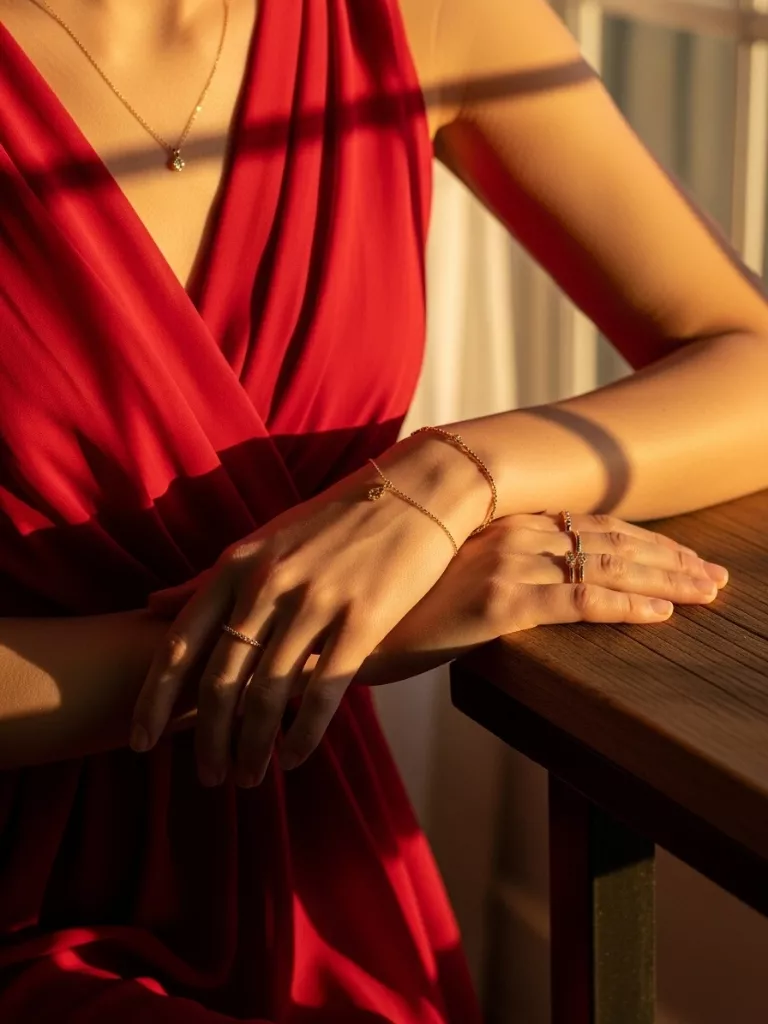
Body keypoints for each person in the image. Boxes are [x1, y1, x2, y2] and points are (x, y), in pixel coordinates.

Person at [0, 0, 762, 1019]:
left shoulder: (417, 12)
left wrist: (449, 476)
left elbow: (745, 356)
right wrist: (318, 636)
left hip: (317, 866)